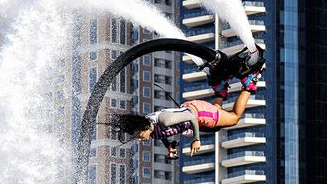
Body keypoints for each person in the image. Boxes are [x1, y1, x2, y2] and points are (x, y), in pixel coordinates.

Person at [111, 63, 262, 160]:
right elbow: (162, 135)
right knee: (216, 126)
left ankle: (249, 83)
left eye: (138, 135)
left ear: (142, 128)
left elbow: (190, 116)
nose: (139, 139)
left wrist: (196, 139)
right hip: (194, 112)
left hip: (198, 113)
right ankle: (219, 89)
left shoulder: (164, 120)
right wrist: (169, 146)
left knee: (233, 118)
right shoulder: (151, 130)